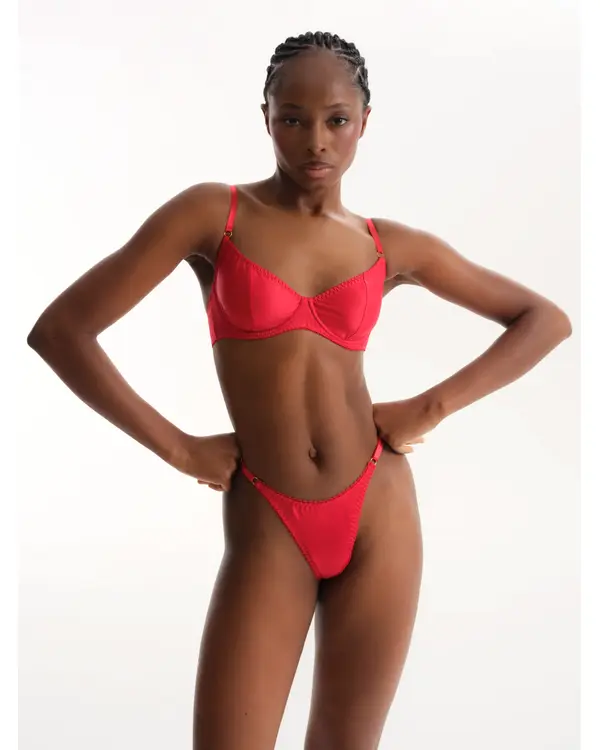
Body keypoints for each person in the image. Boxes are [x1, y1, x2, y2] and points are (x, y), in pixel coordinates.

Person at [27, 30, 572, 750]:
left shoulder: (386, 244)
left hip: (379, 507)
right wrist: (179, 449)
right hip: (268, 516)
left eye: (337, 120)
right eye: (293, 118)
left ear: (364, 122)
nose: (316, 140)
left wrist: (430, 406)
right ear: (266, 118)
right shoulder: (213, 215)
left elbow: (543, 320)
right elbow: (61, 331)